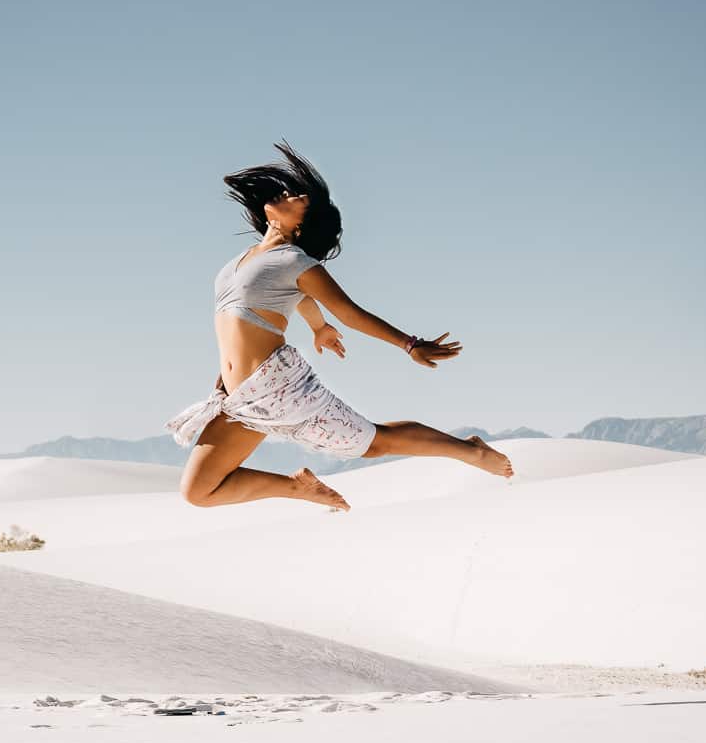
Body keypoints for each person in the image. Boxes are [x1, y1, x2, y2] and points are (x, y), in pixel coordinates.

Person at [165, 141, 514, 512]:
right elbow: (294, 299)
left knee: (375, 442)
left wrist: (409, 344)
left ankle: (471, 451)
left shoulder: (296, 260)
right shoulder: (247, 259)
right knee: (198, 492)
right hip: (243, 399)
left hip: (280, 390)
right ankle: (300, 488)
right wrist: (318, 328)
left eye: (301, 200)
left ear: (300, 225)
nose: (292, 195)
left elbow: (350, 313)